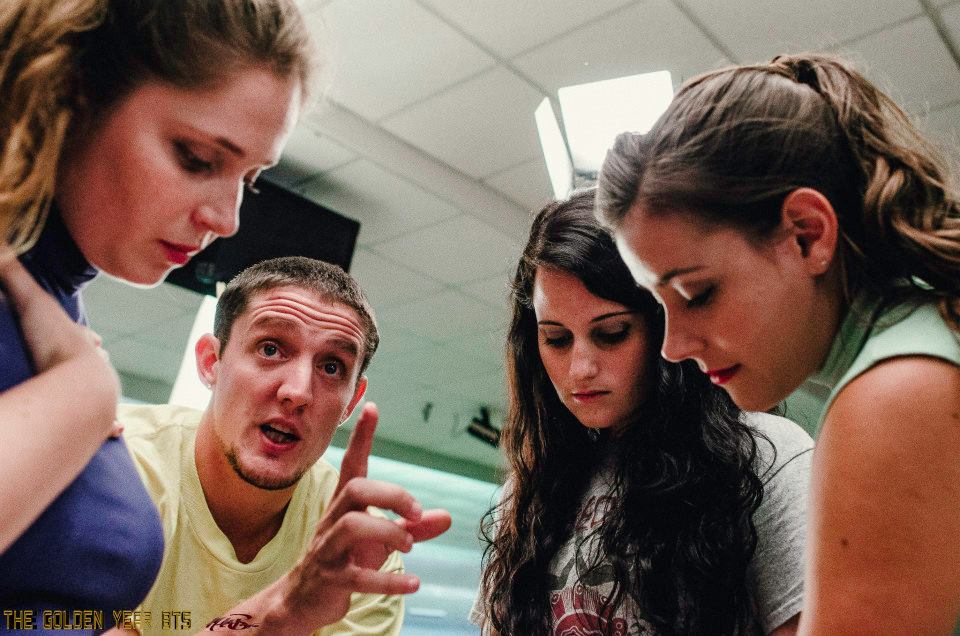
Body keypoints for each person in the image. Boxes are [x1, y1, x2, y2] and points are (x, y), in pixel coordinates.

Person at [596, 52, 960, 635]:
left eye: (696, 292)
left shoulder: (893, 393)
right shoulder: (933, 328)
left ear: (806, 234)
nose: (673, 347)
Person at [0, 0, 315, 630]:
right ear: (72, 95)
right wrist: (84, 392)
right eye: (197, 159)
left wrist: (275, 615)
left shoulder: (52, 306)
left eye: (248, 179)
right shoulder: (68, 358)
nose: (226, 220)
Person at [472, 189, 813, 635]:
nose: (580, 369)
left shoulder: (768, 457)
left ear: (663, 326)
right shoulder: (524, 495)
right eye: (556, 339)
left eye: (611, 333)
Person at [115, 257, 451, 636]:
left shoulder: (355, 550)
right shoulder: (115, 472)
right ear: (212, 362)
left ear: (351, 403)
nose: (298, 392)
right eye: (271, 349)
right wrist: (284, 610)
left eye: (331, 367)